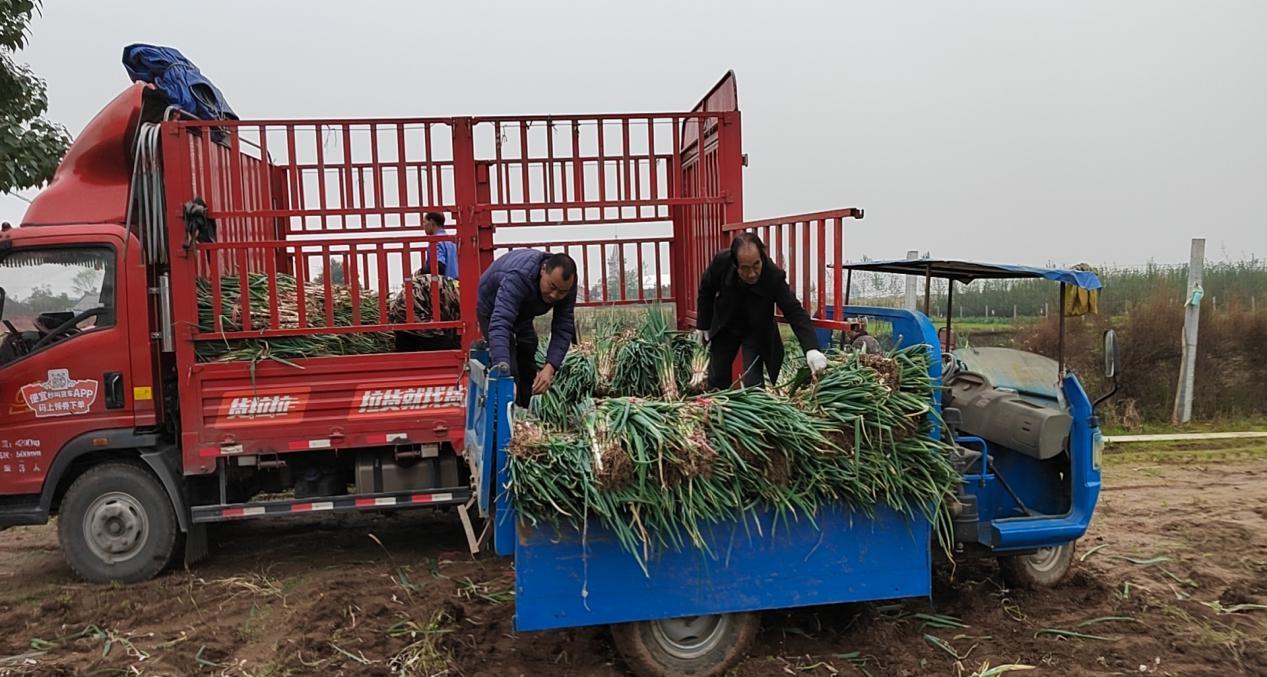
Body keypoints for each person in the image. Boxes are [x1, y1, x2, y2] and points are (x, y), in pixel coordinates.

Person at [695, 232, 827, 389]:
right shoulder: (722, 262)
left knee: (753, 383)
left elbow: (793, 311)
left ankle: (754, 408)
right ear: (735, 265)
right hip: (727, 324)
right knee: (717, 378)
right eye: (744, 268)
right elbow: (706, 289)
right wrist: (703, 324)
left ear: (762, 258)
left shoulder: (773, 275)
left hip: (755, 329)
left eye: (756, 265)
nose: (752, 274)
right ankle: (718, 408)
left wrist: (811, 348)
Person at [477, 249, 578, 407]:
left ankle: (524, 411)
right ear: (543, 270)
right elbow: (501, 323)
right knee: (509, 363)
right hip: (491, 307)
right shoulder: (519, 276)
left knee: (528, 349)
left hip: (523, 310)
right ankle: (508, 418)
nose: (554, 295)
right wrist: (504, 373)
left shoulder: (567, 286)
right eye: (552, 286)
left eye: (562, 292)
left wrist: (550, 368)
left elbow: (563, 327)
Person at [419, 212, 458, 279]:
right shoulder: (452, 241)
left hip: (446, 284)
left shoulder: (436, 241)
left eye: (424, 222)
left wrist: (422, 271)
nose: (423, 226)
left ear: (431, 222)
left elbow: (439, 266)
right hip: (457, 282)